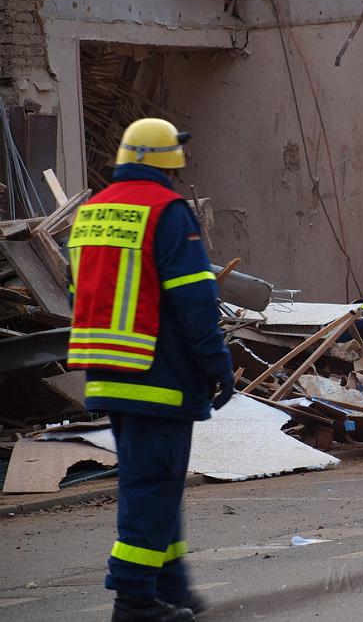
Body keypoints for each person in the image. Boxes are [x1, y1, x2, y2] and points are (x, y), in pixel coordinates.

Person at [67, 118, 234, 621]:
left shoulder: (92, 212)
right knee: (151, 488)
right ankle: (134, 599)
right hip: (158, 375)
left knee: (156, 484)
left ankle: (173, 589)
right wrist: (217, 362)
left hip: (105, 373)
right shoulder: (167, 211)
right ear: (169, 159)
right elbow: (195, 298)